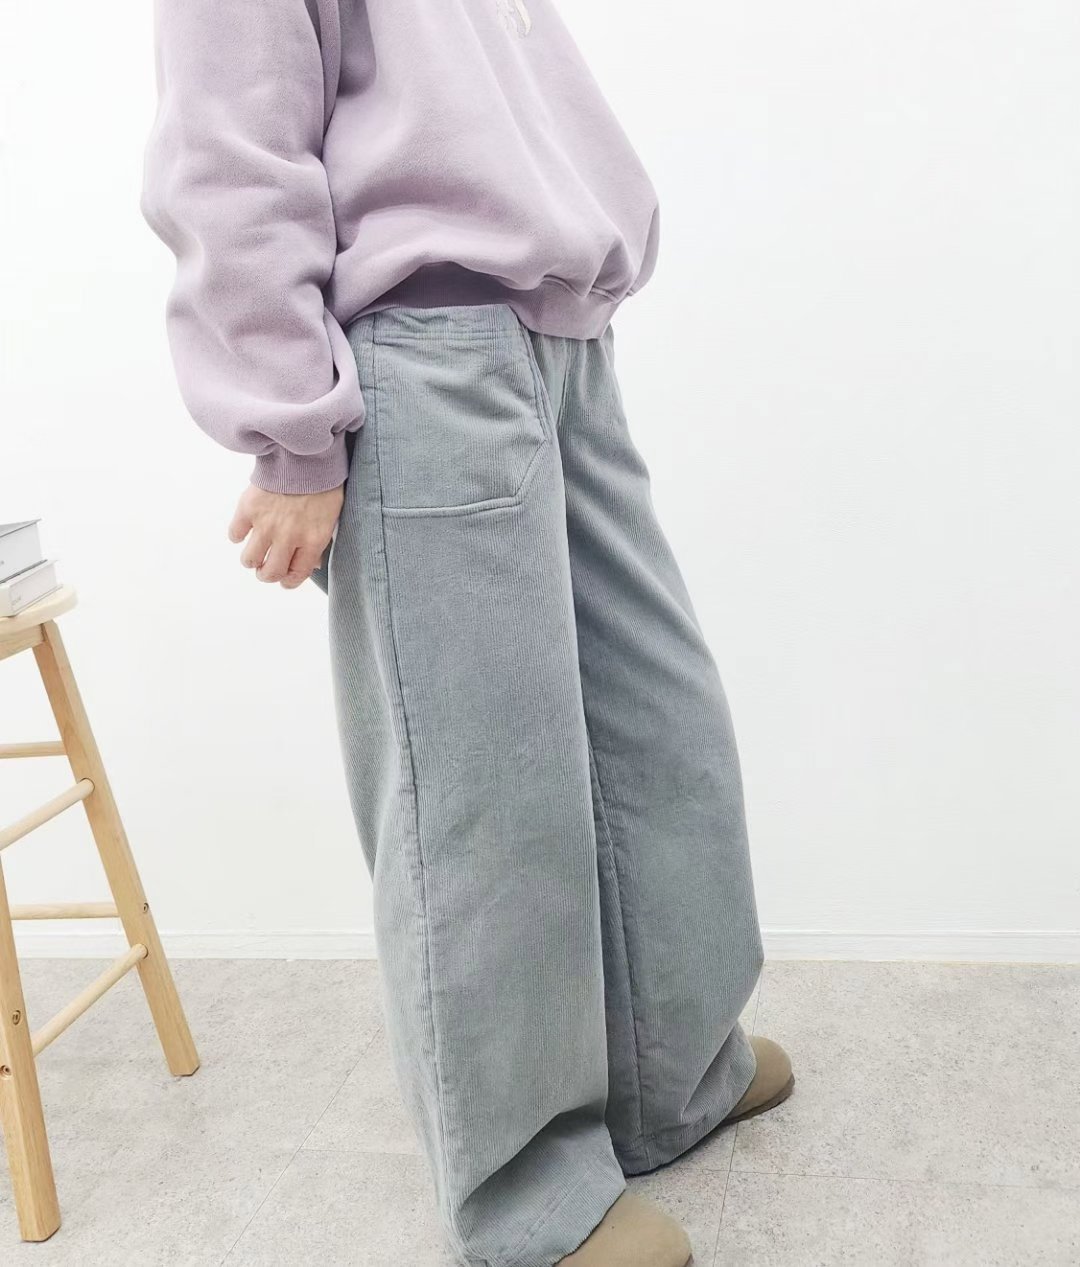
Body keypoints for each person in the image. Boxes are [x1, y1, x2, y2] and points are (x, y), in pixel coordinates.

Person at [142, 2, 794, 1263]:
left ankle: (671, 1075)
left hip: (557, 333)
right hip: (421, 345)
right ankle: (528, 1197)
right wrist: (292, 425)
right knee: (483, 797)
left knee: (657, 730)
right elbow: (230, 145)